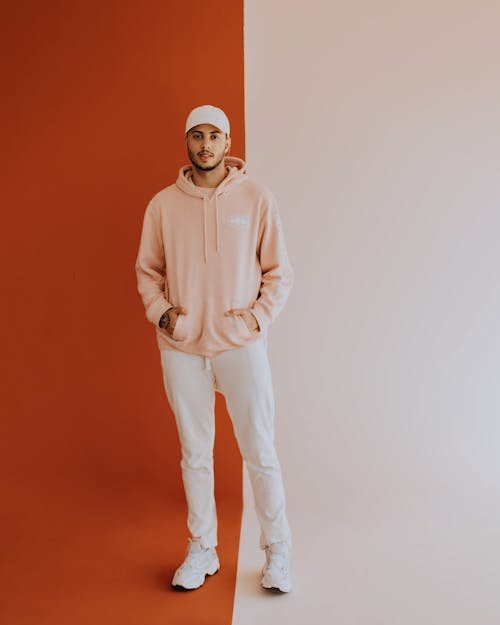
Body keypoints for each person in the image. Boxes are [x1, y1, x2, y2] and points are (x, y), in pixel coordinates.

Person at [135, 105, 294, 593]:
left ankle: (277, 550)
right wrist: (164, 314)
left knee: (260, 449)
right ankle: (202, 548)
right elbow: (148, 270)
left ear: (229, 142)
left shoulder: (256, 197)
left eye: (215, 136)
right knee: (195, 454)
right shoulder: (163, 204)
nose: (205, 145)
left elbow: (279, 272)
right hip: (182, 346)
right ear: (187, 142)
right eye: (197, 136)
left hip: (239, 345)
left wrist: (257, 317)